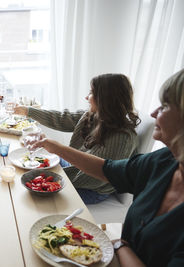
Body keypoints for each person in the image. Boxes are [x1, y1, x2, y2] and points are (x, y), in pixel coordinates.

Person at [31, 69, 184, 266]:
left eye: (164, 107)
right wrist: (54, 147)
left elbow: (97, 177)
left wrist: (120, 246)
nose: (153, 113)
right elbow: (107, 168)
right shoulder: (164, 161)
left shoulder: (123, 137)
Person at [15, 73, 139, 204]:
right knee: (26, 168)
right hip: (76, 167)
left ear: (105, 99)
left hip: (92, 189)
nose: (86, 97)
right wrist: (28, 111)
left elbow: (94, 178)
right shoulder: (96, 115)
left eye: (91, 93)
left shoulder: (122, 138)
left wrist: (50, 174)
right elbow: (62, 119)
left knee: (30, 192)